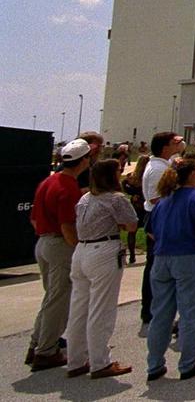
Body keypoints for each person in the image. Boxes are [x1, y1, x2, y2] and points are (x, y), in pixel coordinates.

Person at [145, 157, 195, 382]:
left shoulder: (164, 200)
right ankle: (187, 364)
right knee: (190, 313)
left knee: (160, 314)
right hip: (190, 258)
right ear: (192, 174)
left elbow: (150, 232)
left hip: (162, 258)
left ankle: (154, 365)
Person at [65, 159, 138, 379]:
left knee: (79, 307)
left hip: (82, 251)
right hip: (104, 249)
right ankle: (99, 362)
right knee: (101, 308)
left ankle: (75, 360)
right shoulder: (115, 199)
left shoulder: (85, 199)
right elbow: (132, 224)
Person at [26, 138, 93, 371]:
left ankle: (37, 343)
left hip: (43, 242)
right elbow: (67, 226)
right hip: (60, 244)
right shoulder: (67, 188)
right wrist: (78, 249)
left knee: (51, 298)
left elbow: (34, 219)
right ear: (84, 160)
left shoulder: (48, 182)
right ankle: (46, 351)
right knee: (59, 299)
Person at [140, 131, 185, 330]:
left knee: (158, 266)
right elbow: (155, 199)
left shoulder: (164, 164)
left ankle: (155, 310)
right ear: (165, 147)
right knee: (156, 267)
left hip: (162, 217)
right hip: (158, 219)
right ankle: (151, 311)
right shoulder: (157, 169)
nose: (180, 144)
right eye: (175, 142)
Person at [122, 150, 148, 264]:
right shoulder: (147, 177)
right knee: (149, 230)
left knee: (132, 231)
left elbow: (124, 184)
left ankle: (132, 255)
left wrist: (132, 194)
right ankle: (149, 253)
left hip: (136, 205)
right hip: (145, 205)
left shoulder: (132, 177)